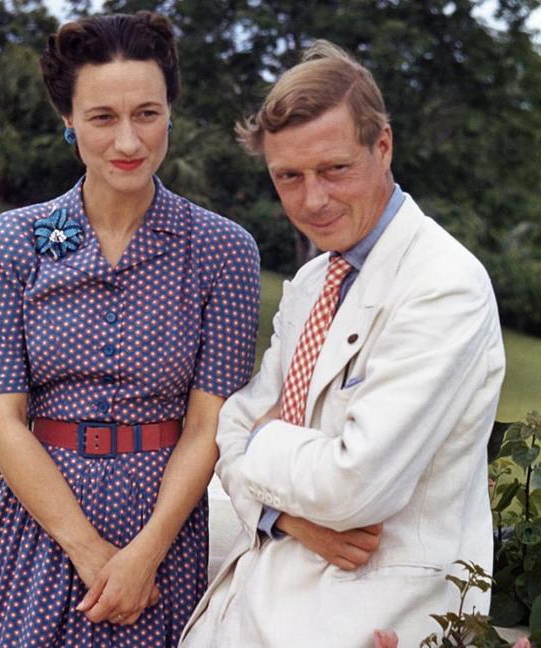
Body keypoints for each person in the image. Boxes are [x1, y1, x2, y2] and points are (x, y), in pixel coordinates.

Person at [180, 40, 505, 647]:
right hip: (255, 605)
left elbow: (355, 486)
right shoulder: (312, 281)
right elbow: (228, 436)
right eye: (289, 177)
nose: (313, 200)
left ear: (383, 146)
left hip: (367, 619)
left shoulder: (444, 286)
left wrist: (261, 441)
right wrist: (288, 517)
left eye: (335, 169)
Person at [0, 11, 260, 648]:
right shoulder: (10, 245)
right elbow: (1, 419)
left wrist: (141, 556)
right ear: (67, 119)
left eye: (147, 113)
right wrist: (90, 553)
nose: (129, 141)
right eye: (102, 118)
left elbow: (210, 426)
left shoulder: (223, 252)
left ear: (170, 110)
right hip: (39, 525)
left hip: (159, 533)